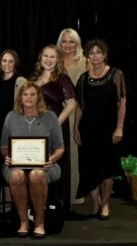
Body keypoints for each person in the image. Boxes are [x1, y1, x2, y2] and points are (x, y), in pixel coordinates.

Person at [0, 82, 64, 239]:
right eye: (25, 94)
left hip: (46, 164)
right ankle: (23, 222)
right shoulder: (11, 116)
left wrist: (51, 159)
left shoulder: (50, 117)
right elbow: (3, 146)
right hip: (15, 164)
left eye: (32, 94)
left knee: (36, 175)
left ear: (38, 97)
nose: (28, 98)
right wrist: (6, 156)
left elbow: (60, 148)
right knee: (17, 176)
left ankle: (39, 223)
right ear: (20, 97)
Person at [75, 39, 127, 220]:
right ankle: (95, 203)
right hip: (88, 130)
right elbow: (80, 106)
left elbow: (122, 103)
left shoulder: (116, 74)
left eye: (98, 52)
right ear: (87, 56)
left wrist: (119, 127)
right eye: (91, 53)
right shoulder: (83, 79)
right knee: (90, 168)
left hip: (109, 130)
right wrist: (76, 128)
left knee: (107, 168)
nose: (95, 56)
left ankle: (105, 204)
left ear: (104, 54)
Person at [29, 45, 76, 211]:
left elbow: (71, 103)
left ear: (58, 60)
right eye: (45, 56)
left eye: (52, 57)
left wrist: (55, 124)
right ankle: (35, 206)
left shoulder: (62, 79)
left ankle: (53, 207)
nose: (48, 60)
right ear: (40, 58)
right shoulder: (33, 78)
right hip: (35, 129)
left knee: (52, 166)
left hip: (55, 129)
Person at [56, 28, 86, 204]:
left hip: (77, 114)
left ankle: (74, 195)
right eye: (64, 41)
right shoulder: (55, 60)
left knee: (74, 155)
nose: (67, 45)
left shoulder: (84, 62)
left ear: (77, 44)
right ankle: (57, 195)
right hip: (56, 113)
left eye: (71, 42)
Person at [0, 49, 28, 186]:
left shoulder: (20, 81)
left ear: (15, 63)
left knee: (11, 166)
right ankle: (3, 206)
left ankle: (11, 205)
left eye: (10, 61)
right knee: (0, 165)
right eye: (4, 60)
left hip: (13, 129)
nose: (7, 64)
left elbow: (27, 107)